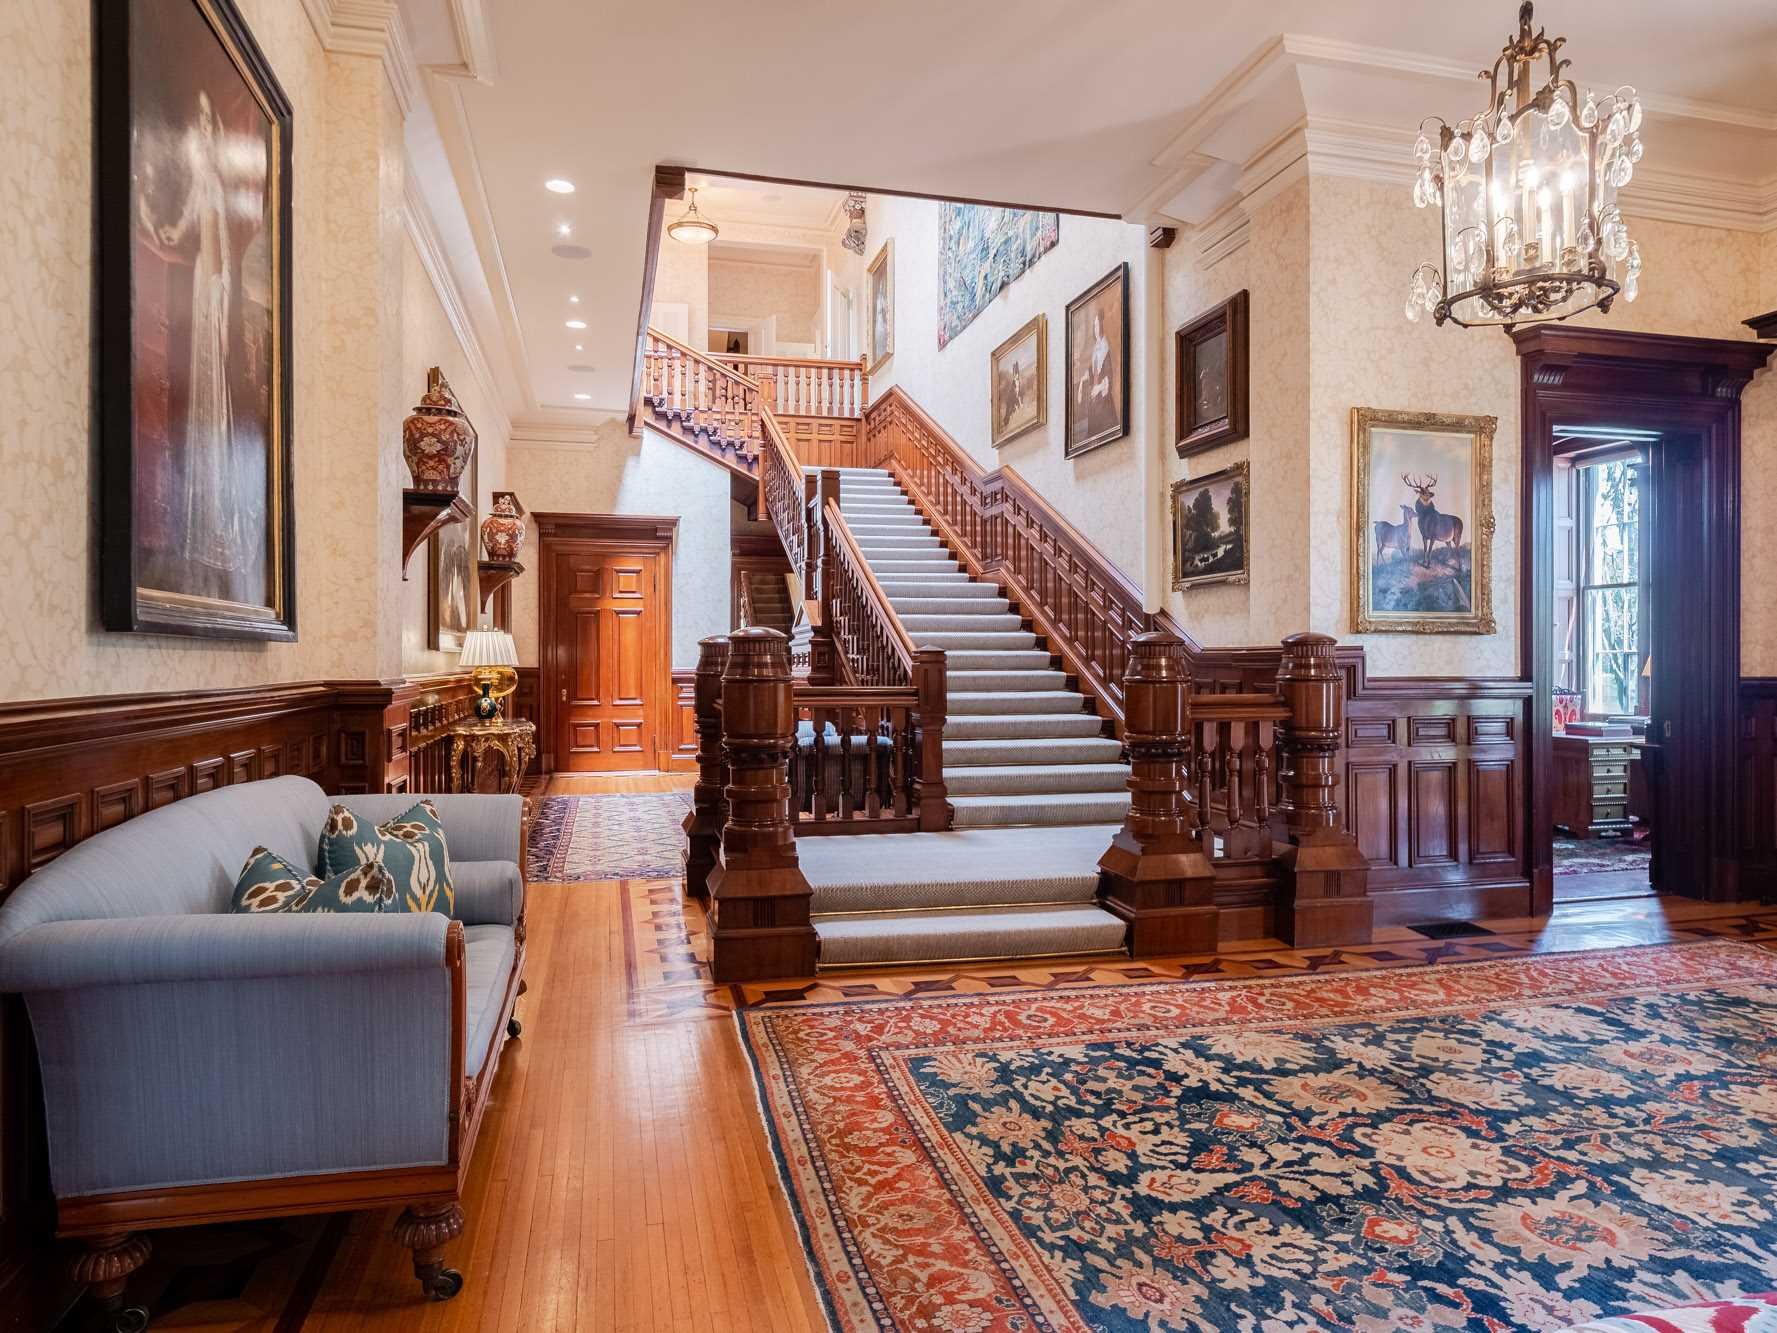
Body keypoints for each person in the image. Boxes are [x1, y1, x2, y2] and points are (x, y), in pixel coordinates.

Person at [142, 89, 247, 599]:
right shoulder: (206, 177)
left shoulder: (216, 183)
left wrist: (226, 296)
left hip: (214, 284)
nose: (204, 131)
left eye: (209, 123)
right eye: (200, 122)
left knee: (208, 396)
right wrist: (168, 227)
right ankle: (197, 524)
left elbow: (219, 241)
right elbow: (185, 221)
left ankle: (207, 522)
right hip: (206, 280)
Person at [1076, 305, 1117, 442]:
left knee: (1106, 431)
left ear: (1102, 326)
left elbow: (1109, 374)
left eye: (1097, 325)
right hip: (1094, 400)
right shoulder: (1096, 349)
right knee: (1093, 433)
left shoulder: (1105, 348)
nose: (1096, 329)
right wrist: (1083, 379)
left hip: (1103, 399)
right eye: (1094, 326)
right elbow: (1093, 369)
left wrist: (1099, 387)